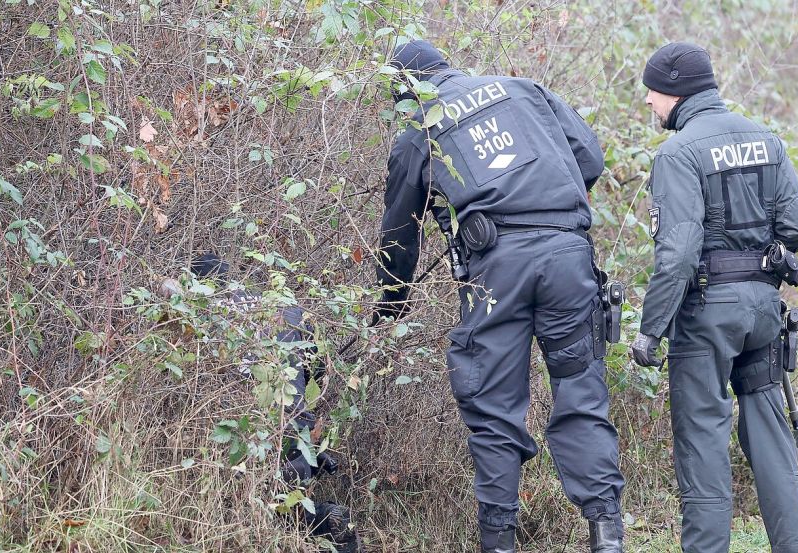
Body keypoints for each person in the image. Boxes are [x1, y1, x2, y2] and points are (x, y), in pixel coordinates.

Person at [375, 40, 625, 553]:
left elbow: (400, 230)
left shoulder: (418, 129)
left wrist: (392, 300)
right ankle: (607, 534)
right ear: (448, 67)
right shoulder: (524, 89)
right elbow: (590, 157)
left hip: (497, 270)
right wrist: (552, 210)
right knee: (582, 390)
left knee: (492, 405)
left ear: (404, 90)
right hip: (568, 256)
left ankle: (499, 542)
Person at [629, 43, 798, 553]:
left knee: (702, 439)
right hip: (761, 308)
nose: (647, 101)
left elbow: (678, 255)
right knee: (769, 429)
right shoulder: (766, 140)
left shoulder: (678, 152)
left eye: (652, 91)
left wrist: (651, 329)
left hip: (707, 313)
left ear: (675, 92)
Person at [161, 254, 360, 553]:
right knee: (293, 498)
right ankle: (326, 520)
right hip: (294, 426)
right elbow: (318, 373)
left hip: (248, 433)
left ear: (198, 285)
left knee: (282, 514)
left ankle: (319, 520)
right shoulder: (283, 306)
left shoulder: (202, 312)